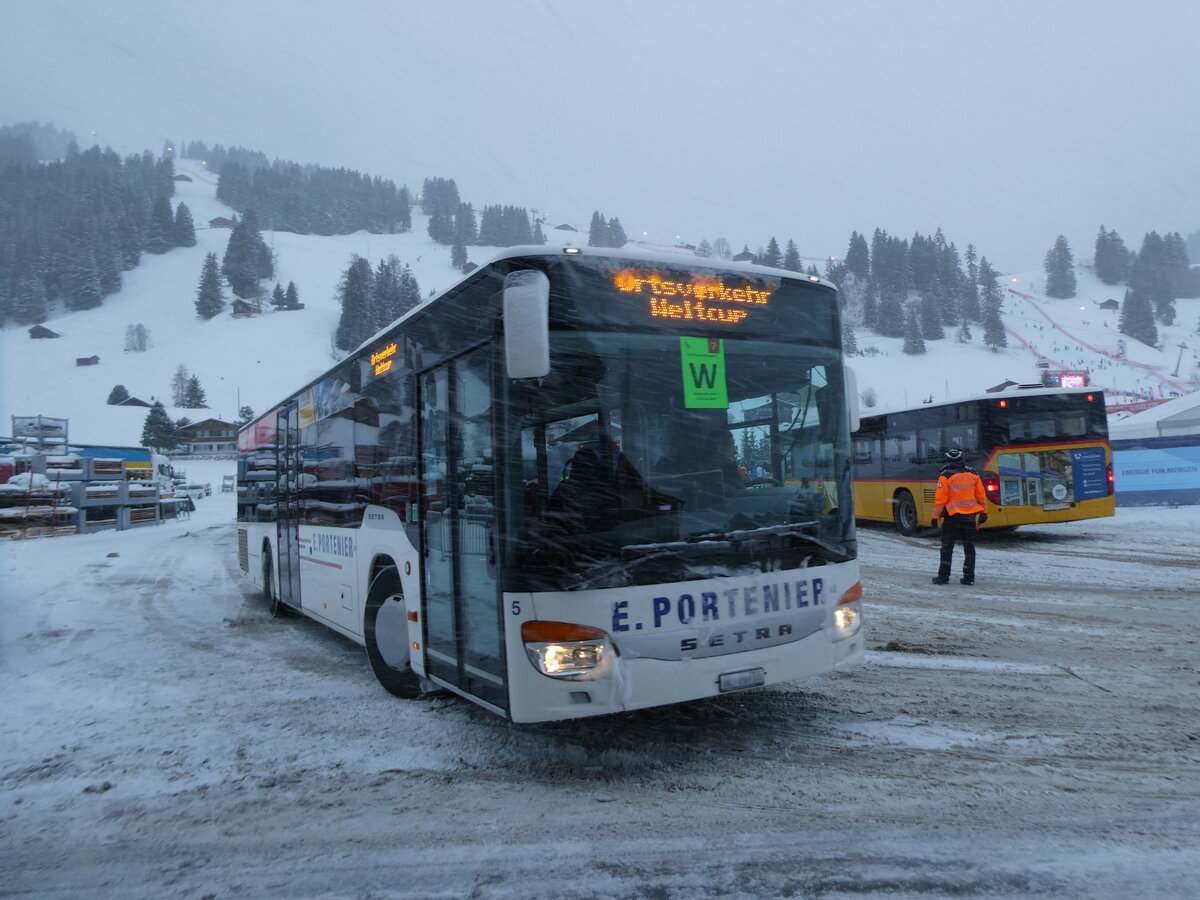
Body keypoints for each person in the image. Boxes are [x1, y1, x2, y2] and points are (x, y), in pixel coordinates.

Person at [929, 448, 987, 585]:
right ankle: (969, 578)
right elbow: (981, 496)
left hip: (953, 517)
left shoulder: (945, 475)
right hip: (970, 517)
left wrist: (935, 517)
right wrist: (984, 512)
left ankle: (943, 577)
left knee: (947, 548)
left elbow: (940, 500)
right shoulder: (973, 473)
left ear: (948, 460)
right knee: (969, 547)